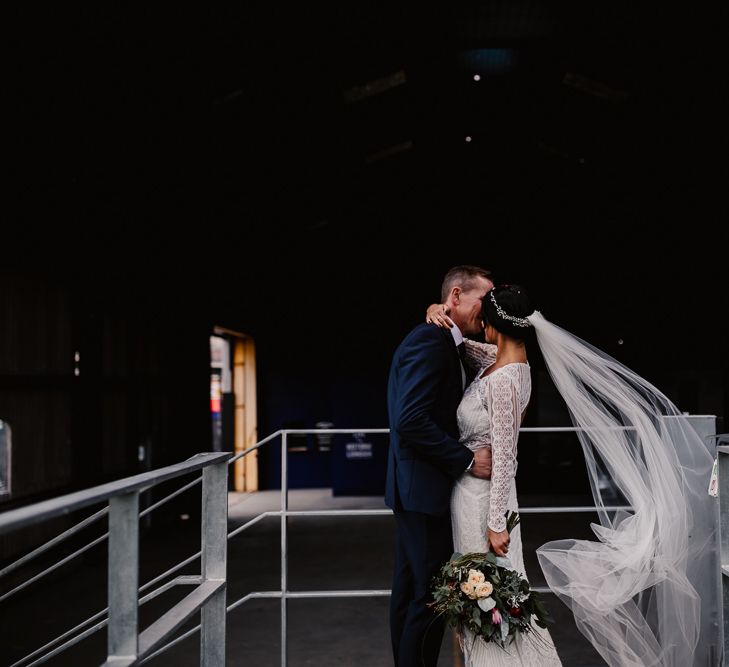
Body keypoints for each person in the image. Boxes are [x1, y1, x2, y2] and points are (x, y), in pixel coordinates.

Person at [426, 284, 716, 667]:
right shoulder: (499, 361)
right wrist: (439, 313)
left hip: (484, 504)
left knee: (488, 598)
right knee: (483, 598)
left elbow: (506, 457)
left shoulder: (503, 381)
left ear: (493, 324)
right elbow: (463, 347)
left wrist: (496, 524)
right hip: (472, 497)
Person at [385, 265, 496, 667]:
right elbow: (410, 419)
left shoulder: (445, 339)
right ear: (455, 297)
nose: (490, 309)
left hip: (418, 488)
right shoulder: (430, 342)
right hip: (423, 489)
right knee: (429, 596)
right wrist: (466, 459)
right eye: (483, 299)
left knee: (411, 592)